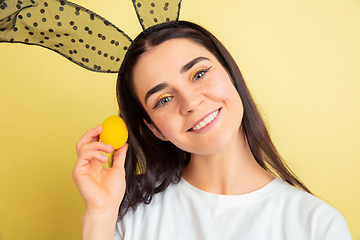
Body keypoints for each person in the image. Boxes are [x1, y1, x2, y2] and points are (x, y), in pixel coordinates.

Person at [73, 21, 352, 240]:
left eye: (199, 74)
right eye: (164, 100)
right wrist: (99, 213)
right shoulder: (130, 218)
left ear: (230, 72)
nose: (192, 102)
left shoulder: (317, 224)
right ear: (154, 129)